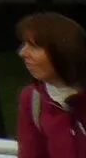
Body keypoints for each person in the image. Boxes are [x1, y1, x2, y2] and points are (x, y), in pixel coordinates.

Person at [18, 12, 86, 158]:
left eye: (34, 46)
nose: (23, 53)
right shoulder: (33, 99)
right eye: (24, 45)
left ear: (62, 51)